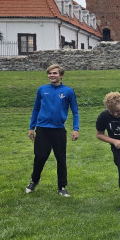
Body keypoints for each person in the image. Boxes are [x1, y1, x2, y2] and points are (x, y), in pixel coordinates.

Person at [26, 64, 79, 197]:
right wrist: (31, 127)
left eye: (54, 73)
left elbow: (75, 111)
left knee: (61, 159)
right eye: (49, 73)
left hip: (58, 130)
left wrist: (75, 129)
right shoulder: (42, 90)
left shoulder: (68, 91)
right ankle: (34, 180)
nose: (51, 76)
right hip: (42, 129)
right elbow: (36, 109)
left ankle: (62, 187)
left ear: (61, 75)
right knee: (40, 157)